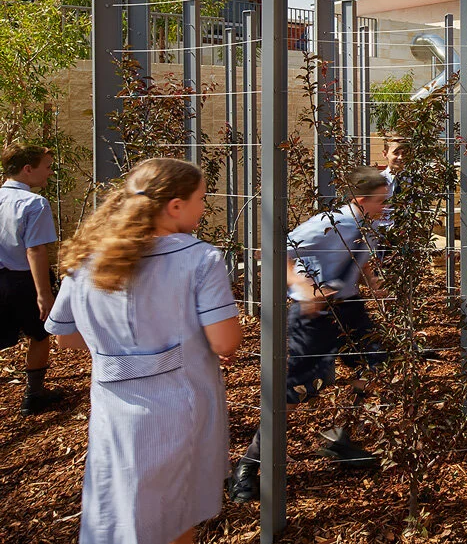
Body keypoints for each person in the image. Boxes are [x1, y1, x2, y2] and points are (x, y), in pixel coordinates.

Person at [45, 157, 243, 544]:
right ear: (175, 206)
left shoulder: (87, 257)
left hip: (113, 409)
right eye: (201, 199)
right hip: (179, 407)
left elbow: (66, 337)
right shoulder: (199, 258)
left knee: (118, 509)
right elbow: (225, 341)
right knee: (174, 513)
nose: (204, 208)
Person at [229, 166, 391, 502]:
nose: (385, 207)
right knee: (297, 390)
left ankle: (341, 436)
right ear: (362, 199)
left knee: (374, 362)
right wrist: (304, 286)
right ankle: (247, 466)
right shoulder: (330, 222)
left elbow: (359, 261)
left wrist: (374, 284)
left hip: (349, 308)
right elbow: (280, 252)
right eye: (381, 201)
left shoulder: (368, 224)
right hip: (312, 315)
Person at [0, 144, 64, 416]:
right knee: (39, 334)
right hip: (25, 280)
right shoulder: (34, 203)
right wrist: (44, 293)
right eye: (47, 167)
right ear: (28, 169)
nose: (49, 173)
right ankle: (33, 396)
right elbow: (35, 249)